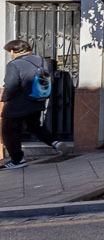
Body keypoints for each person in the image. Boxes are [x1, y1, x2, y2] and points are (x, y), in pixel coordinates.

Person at [1, 39, 64, 170]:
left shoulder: (14, 64)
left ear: (13, 51)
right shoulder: (40, 60)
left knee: (9, 131)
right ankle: (55, 142)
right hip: (37, 100)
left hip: (18, 104)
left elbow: (11, 85)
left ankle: (17, 160)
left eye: (10, 52)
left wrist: (4, 97)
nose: (10, 55)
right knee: (34, 126)